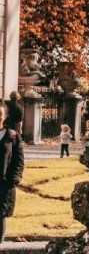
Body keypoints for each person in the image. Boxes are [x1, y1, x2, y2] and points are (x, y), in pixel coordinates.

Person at [0, 103, 24, 243]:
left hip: (4, 183)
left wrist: (14, 178)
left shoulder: (12, 136)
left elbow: (19, 160)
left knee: (1, 214)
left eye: (0, 113)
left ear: (5, 116)